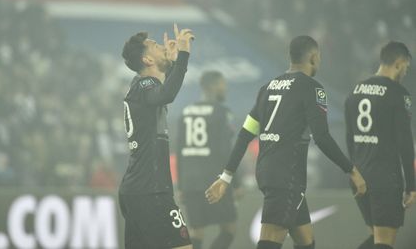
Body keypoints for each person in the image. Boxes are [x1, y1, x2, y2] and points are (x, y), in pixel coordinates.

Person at [205, 35, 366, 249]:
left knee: (306, 240)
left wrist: (225, 177)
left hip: (268, 172)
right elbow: (322, 137)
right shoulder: (312, 87)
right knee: (270, 239)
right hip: (286, 177)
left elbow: (245, 134)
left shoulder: (267, 88)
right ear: (314, 57)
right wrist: (351, 170)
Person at [119, 25, 195, 249]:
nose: (162, 46)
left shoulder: (142, 88)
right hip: (150, 191)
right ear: (147, 60)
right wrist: (183, 55)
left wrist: (171, 64)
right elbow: (167, 94)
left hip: (138, 190)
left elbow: (163, 93)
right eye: (155, 46)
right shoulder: (145, 84)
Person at [345, 41, 415, 249]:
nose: (406, 72)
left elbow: (350, 138)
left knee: (376, 237)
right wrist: (411, 185)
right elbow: (405, 142)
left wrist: (353, 171)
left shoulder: (355, 91)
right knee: (384, 242)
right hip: (385, 179)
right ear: (400, 63)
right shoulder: (398, 94)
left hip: (360, 177)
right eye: (406, 68)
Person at [176, 71, 240, 249]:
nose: (225, 88)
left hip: (189, 182)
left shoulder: (186, 112)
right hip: (214, 180)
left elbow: (180, 151)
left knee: (197, 232)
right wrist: (236, 182)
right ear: (212, 86)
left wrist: (181, 185)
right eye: (222, 84)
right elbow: (226, 150)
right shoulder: (221, 112)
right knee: (229, 228)